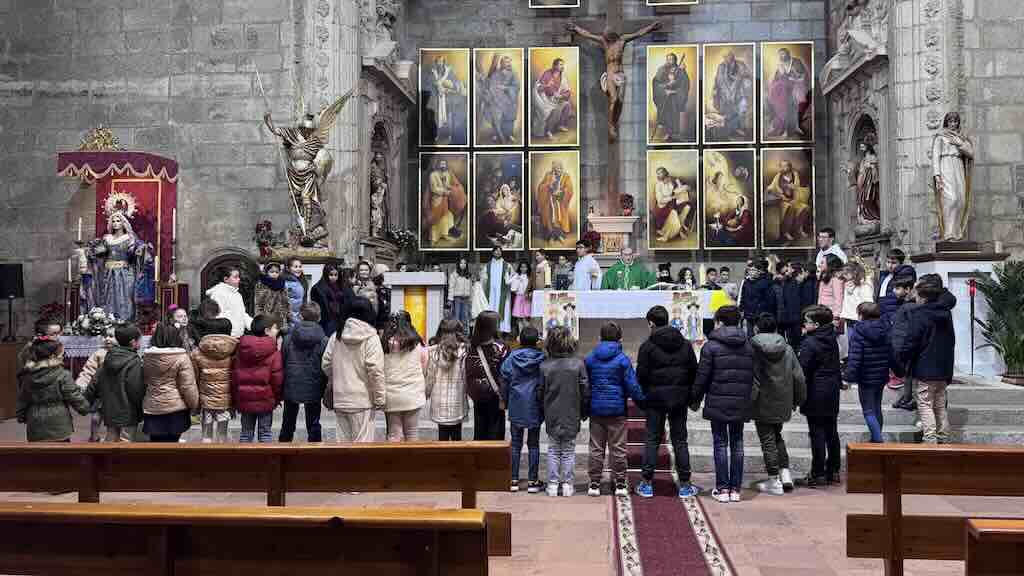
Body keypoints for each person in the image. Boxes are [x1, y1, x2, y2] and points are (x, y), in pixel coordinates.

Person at [635, 305, 700, 499]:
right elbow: (693, 372)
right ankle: (686, 485)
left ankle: (646, 483)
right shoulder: (685, 344)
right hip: (679, 398)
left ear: (651, 323)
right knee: (680, 440)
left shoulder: (647, 346)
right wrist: (691, 396)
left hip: (655, 398)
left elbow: (641, 375)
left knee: (652, 439)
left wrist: (644, 397)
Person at [691, 305, 754, 503]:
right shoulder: (749, 344)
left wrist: (695, 398)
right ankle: (735, 489)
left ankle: (722, 488)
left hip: (718, 399)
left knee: (720, 443)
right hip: (741, 399)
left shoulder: (711, 346)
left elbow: (702, 376)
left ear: (720, 322)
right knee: (737, 443)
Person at [892, 274, 956, 444]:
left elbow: (911, 341)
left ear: (923, 296)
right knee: (940, 404)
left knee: (925, 404)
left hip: (925, 367)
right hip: (943, 367)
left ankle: (930, 438)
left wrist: (902, 358)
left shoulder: (921, 314)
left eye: (917, 294)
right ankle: (943, 436)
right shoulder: (946, 312)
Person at [585, 321, 645, 497]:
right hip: (617, 409)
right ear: (620, 338)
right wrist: (642, 402)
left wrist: (585, 405)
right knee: (618, 448)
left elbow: (585, 385)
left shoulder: (590, 358)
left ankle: (594, 483)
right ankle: (619, 483)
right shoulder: (622, 359)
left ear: (599, 337)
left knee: (596, 448)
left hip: (596, 409)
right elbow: (632, 385)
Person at [749, 314, 806, 494]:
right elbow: (799, 377)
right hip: (783, 399)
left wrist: (748, 401)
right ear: (775, 329)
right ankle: (785, 472)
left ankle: (774, 480)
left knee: (767, 439)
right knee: (776, 435)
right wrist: (798, 400)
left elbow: (751, 377)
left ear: (756, 328)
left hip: (761, 400)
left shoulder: (752, 348)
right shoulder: (788, 349)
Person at [322, 297, 385, 442]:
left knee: (343, 448)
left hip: (340, 398)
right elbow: (375, 370)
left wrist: (338, 377)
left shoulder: (337, 335)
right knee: (363, 449)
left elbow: (326, 364)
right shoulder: (371, 337)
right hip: (363, 400)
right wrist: (380, 398)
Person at [539, 325, 589, 497]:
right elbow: (585, 391)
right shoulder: (578, 364)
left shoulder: (545, 366)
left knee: (553, 449)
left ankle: (552, 484)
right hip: (572, 411)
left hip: (551, 411)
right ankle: (567, 484)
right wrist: (584, 411)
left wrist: (541, 411)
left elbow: (540, 391)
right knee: (568, 450)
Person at [798, 305, 843, 487]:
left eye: (807, 322)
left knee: (817, 433)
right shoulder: (832, 338)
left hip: (816, 390)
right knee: (831, 431)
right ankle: (833, 470)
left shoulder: (810, 342)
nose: (804, 324)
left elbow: (803, 369)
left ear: (816, 324)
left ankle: (818, 472)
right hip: (831, 389)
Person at [500, 325, 546, 493]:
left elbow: (504, 380)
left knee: (516, 443)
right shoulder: (542, 358)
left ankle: (513, 479)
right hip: (534, 402)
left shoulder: (511, 359)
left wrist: (504, 400)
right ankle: (533, 481)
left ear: (519, 340)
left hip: (516, 401)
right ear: (537, 341)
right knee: (533, 443)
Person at [17, 336, 90, 442]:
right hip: (59, 421)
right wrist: (84, 407)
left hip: (35, 420)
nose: (62, 357)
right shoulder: (62, 374)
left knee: (38, 453)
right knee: (61, 453)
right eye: (61, 354)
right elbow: (73, 395)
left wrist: (21, 414)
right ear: (52, 356)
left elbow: (23, 398)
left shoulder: (28, 375)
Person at [85, 324, 145, 443]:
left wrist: (86, 400)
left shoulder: (109, 356)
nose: (141, 343)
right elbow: (135, 389)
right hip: (129, 412)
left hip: (110, 409)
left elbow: (95, 381)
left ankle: (107, 461)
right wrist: (140, 407)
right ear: (133, 342)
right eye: (140, 340)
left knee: (111, 438)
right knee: (126, 440)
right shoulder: (134, 361)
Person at [279, 303, 328, 443]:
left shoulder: (288, 339)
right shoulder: (323, 340)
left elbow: (282, 361)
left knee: (287, 423)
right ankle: (314, 455)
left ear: (300, 316)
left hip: (292, 383)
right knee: (313, 424)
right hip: (314, 384)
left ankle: (283, 454)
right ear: (318, 318)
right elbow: (326, 365)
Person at [142, 323, 198, 443]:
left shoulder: (147, 357)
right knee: (172, 446)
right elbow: (187, 386)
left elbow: (144, 380)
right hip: (176, 409)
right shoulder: (182, 357)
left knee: (155, 445)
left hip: (153, 407)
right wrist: (194, 405)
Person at [844, 302, 890, 444]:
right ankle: (875, 439)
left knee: (868, 410)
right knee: (877, 407)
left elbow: (855, 357)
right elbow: (892, 352)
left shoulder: (858, 331)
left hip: (866, 377)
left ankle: (878, 441)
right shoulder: (886, 328)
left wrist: (848, 376)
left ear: (862, 315)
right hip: (881, 375)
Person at [233, 314, 283, 443]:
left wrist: (236, 396)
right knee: (265, 434)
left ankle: (245, 463)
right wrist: (276, 398)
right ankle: (265, 462)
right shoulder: (274, 351)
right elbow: (277, 379)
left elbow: (235, 375)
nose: (277, 331)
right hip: (266, 399)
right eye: (275, 328)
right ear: (266, 330)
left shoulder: (241, 348)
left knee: (245, 434)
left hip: (245, 398)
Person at [191, 310, 238, 444]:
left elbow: (194, 377)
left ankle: (205, 461)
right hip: (225, 399)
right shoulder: (234, 350)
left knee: (206, 435)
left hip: (206, 399)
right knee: (222, 435)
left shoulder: (198, 352)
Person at [382, 313, 427, 442]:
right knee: (412, 433)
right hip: (413, 394)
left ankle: (393, 461)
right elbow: (424, 367)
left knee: (393, 434)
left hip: (391, 395)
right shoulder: (417, 343)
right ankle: (412, 461)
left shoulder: (385, 344)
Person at [465, 311, 509, 440]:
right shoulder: (501, 348)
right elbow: (506, 372)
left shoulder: (470, 347)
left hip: (477, 394)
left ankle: (480, 457)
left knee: (480, 429)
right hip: (496, 394)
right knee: (496, 431)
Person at [931, 111, 974, 241]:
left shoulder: (961, 138)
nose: (953, 124)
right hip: (945, 166)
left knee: (961, 200)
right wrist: (937, 176)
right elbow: (935, 156)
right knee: (951, 199)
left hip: (958, 166)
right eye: (950, 121)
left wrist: (959, 143)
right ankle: (948, 232)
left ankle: (957, 232)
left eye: (955, 121)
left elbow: (971, 153)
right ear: (946, 122)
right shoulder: (940, 137)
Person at [425, 319, 468, 441]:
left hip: (439, 402)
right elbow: (465, 377)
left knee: (442, 437)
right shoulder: (464, 351)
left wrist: (426, 393)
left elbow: (430, 378)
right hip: (457, 401)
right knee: (457, 437)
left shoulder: (434, 352)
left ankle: (442, 459)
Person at [75, 326, 116, 442]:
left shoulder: (122, 353)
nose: (107, 339)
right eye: (105, 336)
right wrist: (82, 382)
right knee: (95, 417)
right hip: (101, 392)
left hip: (115, 393)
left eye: (111, 336)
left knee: (113, 420)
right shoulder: (99, 353)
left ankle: (110, 439)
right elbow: (88, 370)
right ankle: (94, 436)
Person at [766, 47, 810, 139]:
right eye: (780, 54)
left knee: (795, 99)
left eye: (783, 53)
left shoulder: (796, 61)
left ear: (787, 53)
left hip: (796, 83)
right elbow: (777, 78)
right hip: (784, 86)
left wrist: (790, 76)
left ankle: (794, 126)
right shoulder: (780, 65)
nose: (782, 56)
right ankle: (782, 126)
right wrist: (777, 78)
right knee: (777, 94)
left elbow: (802, 75)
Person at [478, 53, 520, 144]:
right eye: (506, 62)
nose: (508, 64)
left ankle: (509, 134)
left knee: (509, 117)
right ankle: (497, 134)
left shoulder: (513, 74)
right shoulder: (496, 73)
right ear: (501, 64)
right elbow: (490, 84)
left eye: (509, 62)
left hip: (509, 100)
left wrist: (506, 88)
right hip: (497, 99)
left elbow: (516, 87)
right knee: (497, 117)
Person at [710, 50, 753, 139]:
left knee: (741, 111)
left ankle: (738, 128)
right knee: (726, 112)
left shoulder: (741, 64)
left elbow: (749, 76)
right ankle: (729, 131)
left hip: (739, 92)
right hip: (724, 93)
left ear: (732, 56)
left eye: (728, 56)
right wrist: (714, 89)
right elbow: (717, 79)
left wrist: (740, 79)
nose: (726, 59)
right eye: (724, 57)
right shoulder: (721, 66)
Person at [426, 158, 468, 245]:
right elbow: (434, 188)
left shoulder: (447, 174)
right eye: (441, 164)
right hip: (437, 200)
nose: (443, 166)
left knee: (447, 217)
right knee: (436, 218)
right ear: (438, 165)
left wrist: (452, 188)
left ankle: (444, 234)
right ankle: (433, 239)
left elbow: (447, 185)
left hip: (444, 200)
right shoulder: (433, 175)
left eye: (444, 164)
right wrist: (445, 192)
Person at [531, 57, 576, 139]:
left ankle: (561, 125)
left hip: (556, 99)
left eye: (563, 65)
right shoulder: (547, 74)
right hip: (545, 100)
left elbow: (567, 91)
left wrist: (561, 96)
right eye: (560, 64)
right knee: (553, 111)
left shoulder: (562, 77)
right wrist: (547, 86)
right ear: (555, 65)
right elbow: (538, 88)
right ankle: (548, 131)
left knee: (567, 105)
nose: (563, 66)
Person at [651, 51, 690, 142]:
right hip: (664, 97)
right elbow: (656, 83)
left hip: (675, 97)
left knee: (674, 115)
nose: (670, 61)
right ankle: (668, 133)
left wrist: (684, 71)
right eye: (668, 59)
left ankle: (675, 134)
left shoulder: (679, 70)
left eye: (672, 59)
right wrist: (665, 89)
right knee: (667, 115)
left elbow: (685, 84)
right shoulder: (661, 69)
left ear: (675, 60)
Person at [206, 266, 251, 338]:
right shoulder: (218, 293)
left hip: (238, 335)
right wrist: (228, 331)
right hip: (226, 336)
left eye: (238, 277)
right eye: (235, 277)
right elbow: (217, 316)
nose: (239, 279)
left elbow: (242, 314)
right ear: (226, 279)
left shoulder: (237, 294)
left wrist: (253, 325)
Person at [536, 160, 575, 242]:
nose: (557, 170)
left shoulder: (566, 176)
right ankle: (551, 235)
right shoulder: (548, 175)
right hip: (549, 200)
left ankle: (559, 235)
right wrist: (548, 185)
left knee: (558, 218)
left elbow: (570, 189)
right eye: (555, 168)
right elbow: (540, 187)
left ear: (561, 168)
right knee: (549, 217)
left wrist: (562, 192)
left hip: (560, 201)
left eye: (558, 168)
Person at [876, 249, 917, 328]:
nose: (890, 265)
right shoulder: (884, 275)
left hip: (895, 313)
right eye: (888, 262)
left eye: (894, 263)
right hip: (883, 314)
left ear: (901, 263)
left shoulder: (904, 274)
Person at [310, 263, 352, 338]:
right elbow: (316, 307)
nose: (333, 277)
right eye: (331, 275)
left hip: (341, 321)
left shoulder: (343, 287)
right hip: (326, 322)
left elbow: (349, 301)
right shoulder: (318, 288)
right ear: (326, 275)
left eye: (336, 275)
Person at [481, 246, 514, 335]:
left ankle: (504, 331)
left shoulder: (507, 265)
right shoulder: (487, 266)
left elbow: (512, 278)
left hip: (503, 293)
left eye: (500, 251)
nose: (498, 252)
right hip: (490, 293)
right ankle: (490, 330)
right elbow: (483, 280)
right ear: (493, 252)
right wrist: (483, 291)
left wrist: (509, 284)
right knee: (490, 309)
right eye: (496, 251)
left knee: (504, 310)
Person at [740, 259, 777, 337]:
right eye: (750, 270)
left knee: (761, 336)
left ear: (759, 271)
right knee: (750, 335)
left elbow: (770, 300)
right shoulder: (746, 283)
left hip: (760, 316)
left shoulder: (765, 283)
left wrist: (761, 310)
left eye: (753, 270)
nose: (751, 272)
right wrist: (742, 309)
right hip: (749, 314)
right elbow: (743, 298)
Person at [840, 261, 874, 335]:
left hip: (860, 318)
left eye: (846, 274)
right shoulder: (848, 283)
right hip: (849, 317)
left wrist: (863, 315)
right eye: (843, 274)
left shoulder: (864, 284)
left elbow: (868, 302)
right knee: (851, 340)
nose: (844, 276)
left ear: (854, 272)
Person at [255, 262, 291, 332]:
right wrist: (259, 318)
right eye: (272, 272)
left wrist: (288, 313)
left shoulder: (282, 283)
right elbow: (258, 303)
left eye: (277, 272)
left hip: (280, 318)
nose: (274, 274)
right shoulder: (262, 284)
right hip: (267, 318)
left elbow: (286, 300)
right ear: (266, 272)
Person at [778, 261, 804, 347]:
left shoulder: (796, 283)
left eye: (788, 268)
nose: (787, 270)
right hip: (789, 318)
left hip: (795, 318)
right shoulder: (786, 282)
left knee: (795, 342)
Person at [817, 254, 845, 326]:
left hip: (831, 315)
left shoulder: (836, 279)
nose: (820, 264)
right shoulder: (824, 277)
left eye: (822, 262)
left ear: (830, 264)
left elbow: (838, 299)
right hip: (822, 313)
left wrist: (836, 317)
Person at [448, 256, 473, 333]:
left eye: (465, 263)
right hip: (457, 298)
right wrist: (450, 299)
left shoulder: (468, 275)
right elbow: (451, 287)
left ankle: (465, 335)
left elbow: (471, 288)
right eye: (461, 263)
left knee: (465, 318)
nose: (463, 264)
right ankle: (456, 334)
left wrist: (471, 299)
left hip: (466, 298)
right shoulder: (454, 274)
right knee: (457, 317)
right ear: (458, 264)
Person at [282, 258, 308, 327]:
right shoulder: (285, 282)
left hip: (300, 316)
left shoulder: (303, 281)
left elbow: (304, 299)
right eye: (295, 267)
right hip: (289, 318)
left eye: (300, 266)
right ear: (288, 268)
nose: (298, 269)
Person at [510, 260, 532, 338]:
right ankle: (520, 335)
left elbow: (531, 287)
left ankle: (527, 335)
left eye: (525, 267)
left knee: (526, 318)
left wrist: (529, 293)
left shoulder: (530, 276)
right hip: (518, 298)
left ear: (527, 268)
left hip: (526, 298)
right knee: (519, 318)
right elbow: (512, 287)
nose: (523, 268)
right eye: (522, 267)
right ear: (519, 268)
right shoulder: (516, 275)